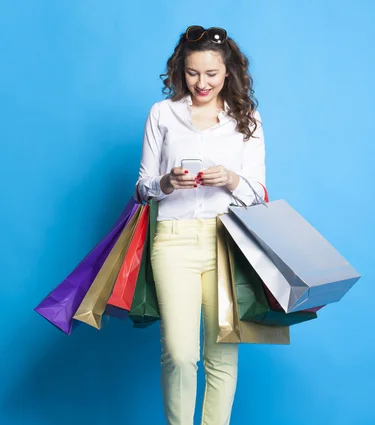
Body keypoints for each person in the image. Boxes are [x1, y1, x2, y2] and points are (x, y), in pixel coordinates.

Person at [135, 25, 267, 425]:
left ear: (228, 71)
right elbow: (142, 188)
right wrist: (166, 183)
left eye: (211, 74)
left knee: (222, 353)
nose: (202, 83)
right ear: (180, 70)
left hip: (226, 242)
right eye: (193, 73)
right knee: (179, 352)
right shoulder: (162, 114)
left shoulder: (246, 120)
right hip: (173, 241)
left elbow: (258, 194)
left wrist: (229, 178)